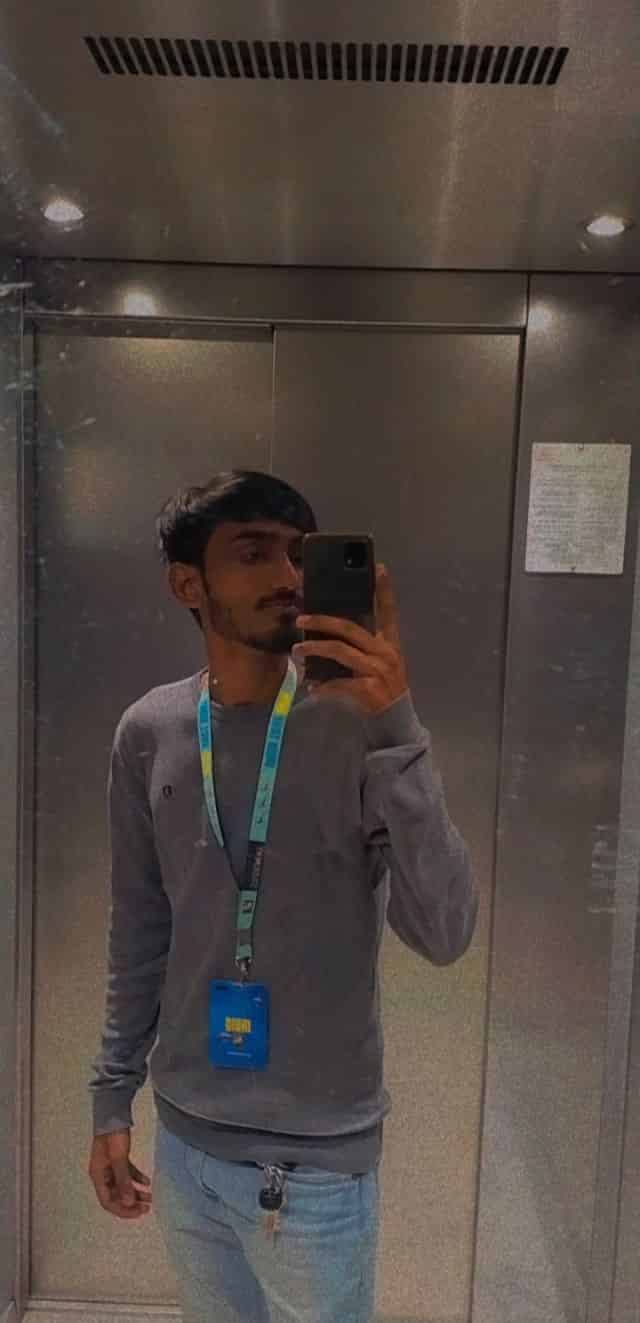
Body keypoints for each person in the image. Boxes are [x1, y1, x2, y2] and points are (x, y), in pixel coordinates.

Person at [88, 470, 479, 1323]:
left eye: (300, 554)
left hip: (318, 1165)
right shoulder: (149, 731)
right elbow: (141, 930)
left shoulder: (358, 727)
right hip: (187, 1141)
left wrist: (396, 723)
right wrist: (111, 1096)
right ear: (188, 584)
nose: (288, 576)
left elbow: (446, 930)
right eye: (253, 552)